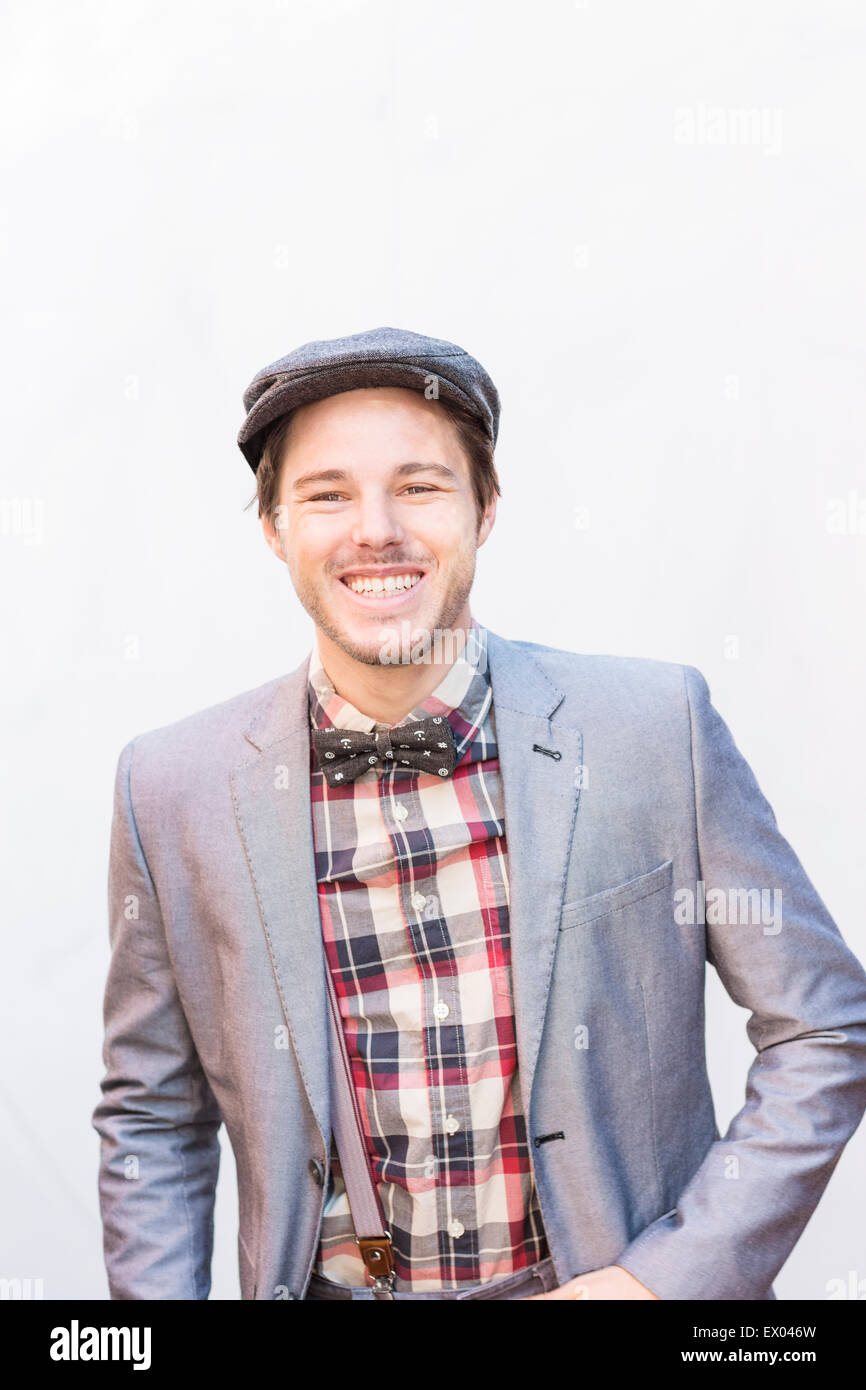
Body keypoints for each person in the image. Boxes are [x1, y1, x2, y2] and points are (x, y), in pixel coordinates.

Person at [92, 326, 866, 1301]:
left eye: (419, 484)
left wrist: (660, 1282)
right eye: (327, 493)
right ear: (273, 527)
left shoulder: (651, 727)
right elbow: (153, 1117)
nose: (375, 528)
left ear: (485, 507)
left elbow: (822, 1029)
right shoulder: (168, 786)